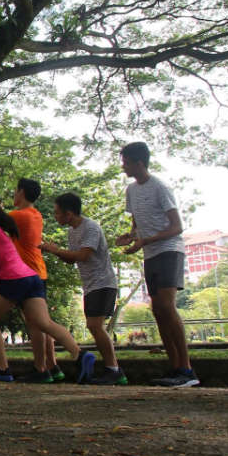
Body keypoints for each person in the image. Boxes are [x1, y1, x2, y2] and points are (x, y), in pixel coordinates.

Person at [0, 200, 96, 383]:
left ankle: (3, 368)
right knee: (44, 323)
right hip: (31, 278)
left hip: (14, 280)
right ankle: (80, 354)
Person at [116, 142, 196, 387]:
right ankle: (175, 368)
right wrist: (130, 236)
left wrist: (147, 240)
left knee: (166, 305)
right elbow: (137, 222)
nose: (123, 167)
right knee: (157, 310)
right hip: (150, 254)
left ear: (139, 163)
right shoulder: (131, 190)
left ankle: (187, 369)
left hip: (169, 251)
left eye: (126, 162)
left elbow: (176, 226)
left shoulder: (160, 187)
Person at [41, 193, 127, 385]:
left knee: (95, 325)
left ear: (68, 213)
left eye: (57, 213)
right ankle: (111, 369)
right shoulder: (72, 231)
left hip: (103, 283)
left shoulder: (91, 228)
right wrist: (53, 250)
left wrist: (56, 250)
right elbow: (71, 259)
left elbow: (83, 255)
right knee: (94, 326)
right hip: (90, 286)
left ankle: (114, 369)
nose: (55, 217)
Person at [7, 178, 61, 384]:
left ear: (21, 192)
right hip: (38, 272)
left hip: (27, 275)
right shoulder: (35, 214)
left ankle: (40, 369)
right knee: (41, 322)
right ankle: (52, 366)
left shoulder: (20, 215)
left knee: (35, 324)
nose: (13, 194)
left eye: (15, 190)